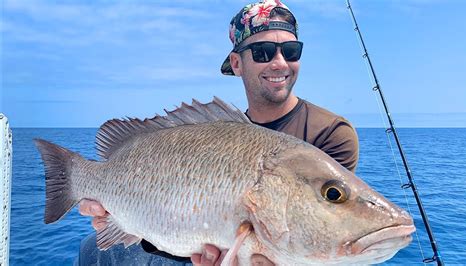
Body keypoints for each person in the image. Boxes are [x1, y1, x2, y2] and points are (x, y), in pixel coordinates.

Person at [78, 0, 359, 265]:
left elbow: (326, 234)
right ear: (236, 64)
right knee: (96, 246)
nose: (280, 63)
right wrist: (123, 220)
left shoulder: (330, 133)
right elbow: (181, 233)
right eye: (262, 52)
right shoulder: (221, 133)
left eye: (291, 51)